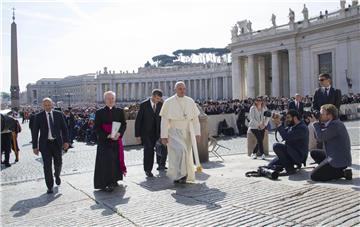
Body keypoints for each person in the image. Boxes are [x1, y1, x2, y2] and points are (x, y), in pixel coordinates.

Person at [160, 81, 201, 184]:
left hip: (187, 131)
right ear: (175, 90)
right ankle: (181, 174)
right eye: (180, 89)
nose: (182, 91)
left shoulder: (190, 101)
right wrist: (164, 136)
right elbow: (164, 121)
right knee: (180, 151)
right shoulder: (168, 102)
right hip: (174, 132)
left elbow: (195, 119)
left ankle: (182, 175)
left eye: (184, 89)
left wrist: (197, 133)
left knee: (186, 154)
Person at [32, 98, 69, 194]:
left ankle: (57, 175)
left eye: (49, 105)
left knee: (58, 162)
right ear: (42, 106)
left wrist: (66, 141)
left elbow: (64, 129)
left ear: (52, 104)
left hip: (57, 143)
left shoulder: (59, 114)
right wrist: (35, 146)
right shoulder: (38, 116)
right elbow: (35, 132)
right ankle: (49, 186)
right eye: (45, 105)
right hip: (45, 145)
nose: (47, 107)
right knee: (47, 166)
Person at [94, 91, 127, 192]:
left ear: (115, 99)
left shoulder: (120, 111)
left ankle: (115, 180)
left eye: (112, 98)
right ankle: (107, 183)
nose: (111, 100)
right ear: (105, 100)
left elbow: (123, 124)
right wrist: (107, 135)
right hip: (104, 141)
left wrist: (119, 134)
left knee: (115, 160)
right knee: (107, 161)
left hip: (116, 141)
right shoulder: (99, 112)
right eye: (108, 98)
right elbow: (97, 128)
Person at [310, 104, 352, 181]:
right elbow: (318, 138)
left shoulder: (335, 125)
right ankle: (327, 169)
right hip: (333, 154)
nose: (320, 115)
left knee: (314, 176)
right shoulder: (331, 123)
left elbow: (321, 137)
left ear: (329, 115)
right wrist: (317, 123)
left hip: (339, 160)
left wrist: (315, 123)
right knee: (314, 153)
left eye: (322, 114)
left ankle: (342, 173)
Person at [135, 89, 167, 177]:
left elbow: (163, 118)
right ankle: (148, 170)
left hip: (158, 132)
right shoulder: (143, 105)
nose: (158, 100)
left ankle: (161, 165)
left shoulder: (161, 104)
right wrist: (137, 135)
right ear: (152, 96)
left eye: (159, 99)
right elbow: (138, 121)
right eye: (157, 98)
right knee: (148, 152)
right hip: (146, 133)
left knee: (161, 149)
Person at [268, 109, 309, 174]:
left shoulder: (302, 128)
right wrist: (278, 121)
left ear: (295, 118)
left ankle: (290, 168)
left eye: (288, 117)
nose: (287, 119)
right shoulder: (293, 125)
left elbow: (286, 136)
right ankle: (286, 165)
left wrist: (279, 124)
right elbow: (284, 130)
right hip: (290, 153)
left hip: (298, 155)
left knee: (276, 146)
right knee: (270, 166)